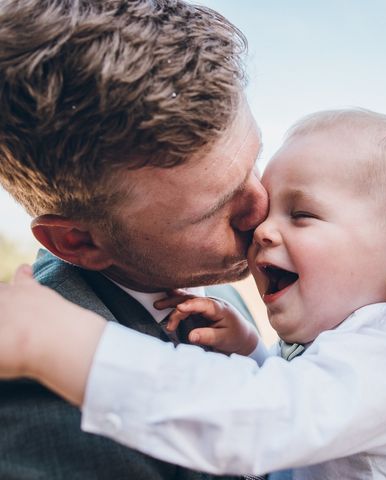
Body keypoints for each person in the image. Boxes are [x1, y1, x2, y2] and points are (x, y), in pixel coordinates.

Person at [0, 109, 386, 478]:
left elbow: (263, 422)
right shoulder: (358, 338)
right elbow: (302, 407)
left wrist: (72, 348)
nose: (261, 225)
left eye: (300, 213)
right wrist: (255, 355)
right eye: (217, 204)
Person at [0, 0, 267, 478]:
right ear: (77, 242)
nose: (262, 210)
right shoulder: (47, 401)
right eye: (211, 211)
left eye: (254, 163)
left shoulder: (220, 296)